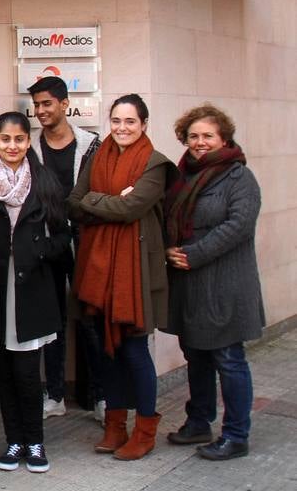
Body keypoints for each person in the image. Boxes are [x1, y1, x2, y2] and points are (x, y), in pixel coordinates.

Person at [68, 94, 175, 461]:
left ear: (143, 124)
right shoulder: (98, 156)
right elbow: (73, 202)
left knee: (133, 350)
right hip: (98, 273)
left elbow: (132, 208)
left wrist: (97, 202)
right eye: (116, 120)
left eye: (130, 121)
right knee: (106, 351)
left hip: (135, 276)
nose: (122, 128)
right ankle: (115, 426)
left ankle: (145, 430)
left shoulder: (155, 164)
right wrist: (108, 201)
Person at [0, 112, 70, 473]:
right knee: (4, 373)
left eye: (19, 139)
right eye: (5, 139)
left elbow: (62, 237)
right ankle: (13, 442)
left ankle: (35, 442)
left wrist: (37, 251)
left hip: (32, 288)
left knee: (28, 373)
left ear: (28, 141)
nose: (12, 146)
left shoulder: (44, 181)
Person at [162, 104, 264, 460]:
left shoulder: (239, 177)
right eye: (193, 136)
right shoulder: (183, 175)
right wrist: (168, 249)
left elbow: (238, 226)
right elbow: (168, 217)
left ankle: (237, 435)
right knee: (197, 356)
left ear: (223, 138)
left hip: (224, 283)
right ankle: (199, 422)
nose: (200, 142)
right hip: (190, 285)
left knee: (228, 358)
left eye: (208, 136)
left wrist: (193, 253)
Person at [28, 75, 104, 423]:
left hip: (85, 241)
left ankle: (101, 396)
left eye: (47, 104)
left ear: (63, 104)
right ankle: (55, 394)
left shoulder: (91, 145)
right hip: (46, 242)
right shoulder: (28, 146)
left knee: (91, 319)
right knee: (51, 320)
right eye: (37, 105)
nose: (41, 111)